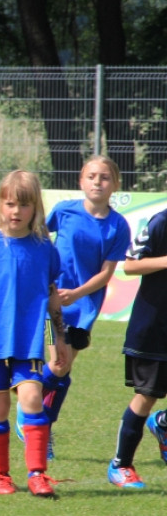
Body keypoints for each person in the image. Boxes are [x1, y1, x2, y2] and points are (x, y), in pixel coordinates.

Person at [0, 170, 68, 498]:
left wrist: (57, 338)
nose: (16, 211)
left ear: (36, 209)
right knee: (0, 408)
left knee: (33, 399)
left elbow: (50, 299)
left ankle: (37, 473)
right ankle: (0, 475)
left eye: (24, 205)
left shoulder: (44, 248)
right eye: (10, 204)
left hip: (28, 341)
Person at [16, 155, 131, 460]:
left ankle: (32, 412)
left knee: (63, 368)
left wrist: (77, 293)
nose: (97, 182)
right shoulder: (64, 211)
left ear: (115, 185)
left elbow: (107, 273)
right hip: (53, 304)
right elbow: (38, 237)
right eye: (91, 176)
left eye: (104, 177)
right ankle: (34, 420)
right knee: (57, 363)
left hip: (84, 307)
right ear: (81, 181)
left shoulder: (118, 226)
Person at [106, 205, 167, 489]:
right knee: (146, 397)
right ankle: (121, 464)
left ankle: (163, 423)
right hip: (154, 328)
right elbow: (130, 265)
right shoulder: (160, 223)